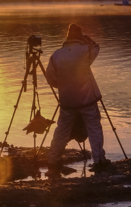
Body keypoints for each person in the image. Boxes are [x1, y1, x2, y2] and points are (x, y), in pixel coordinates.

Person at [46, 23, 110, 172]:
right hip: (87, 99)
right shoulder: (86, 50)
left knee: (62, 130)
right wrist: (85, 37)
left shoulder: (56, 55)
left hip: (67, 100)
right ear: (79, 36)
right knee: (94, 128)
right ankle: (99, 160)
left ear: (67, 37)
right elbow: (96, 47)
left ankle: (53, 160)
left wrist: (62, 86)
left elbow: (51, 79)